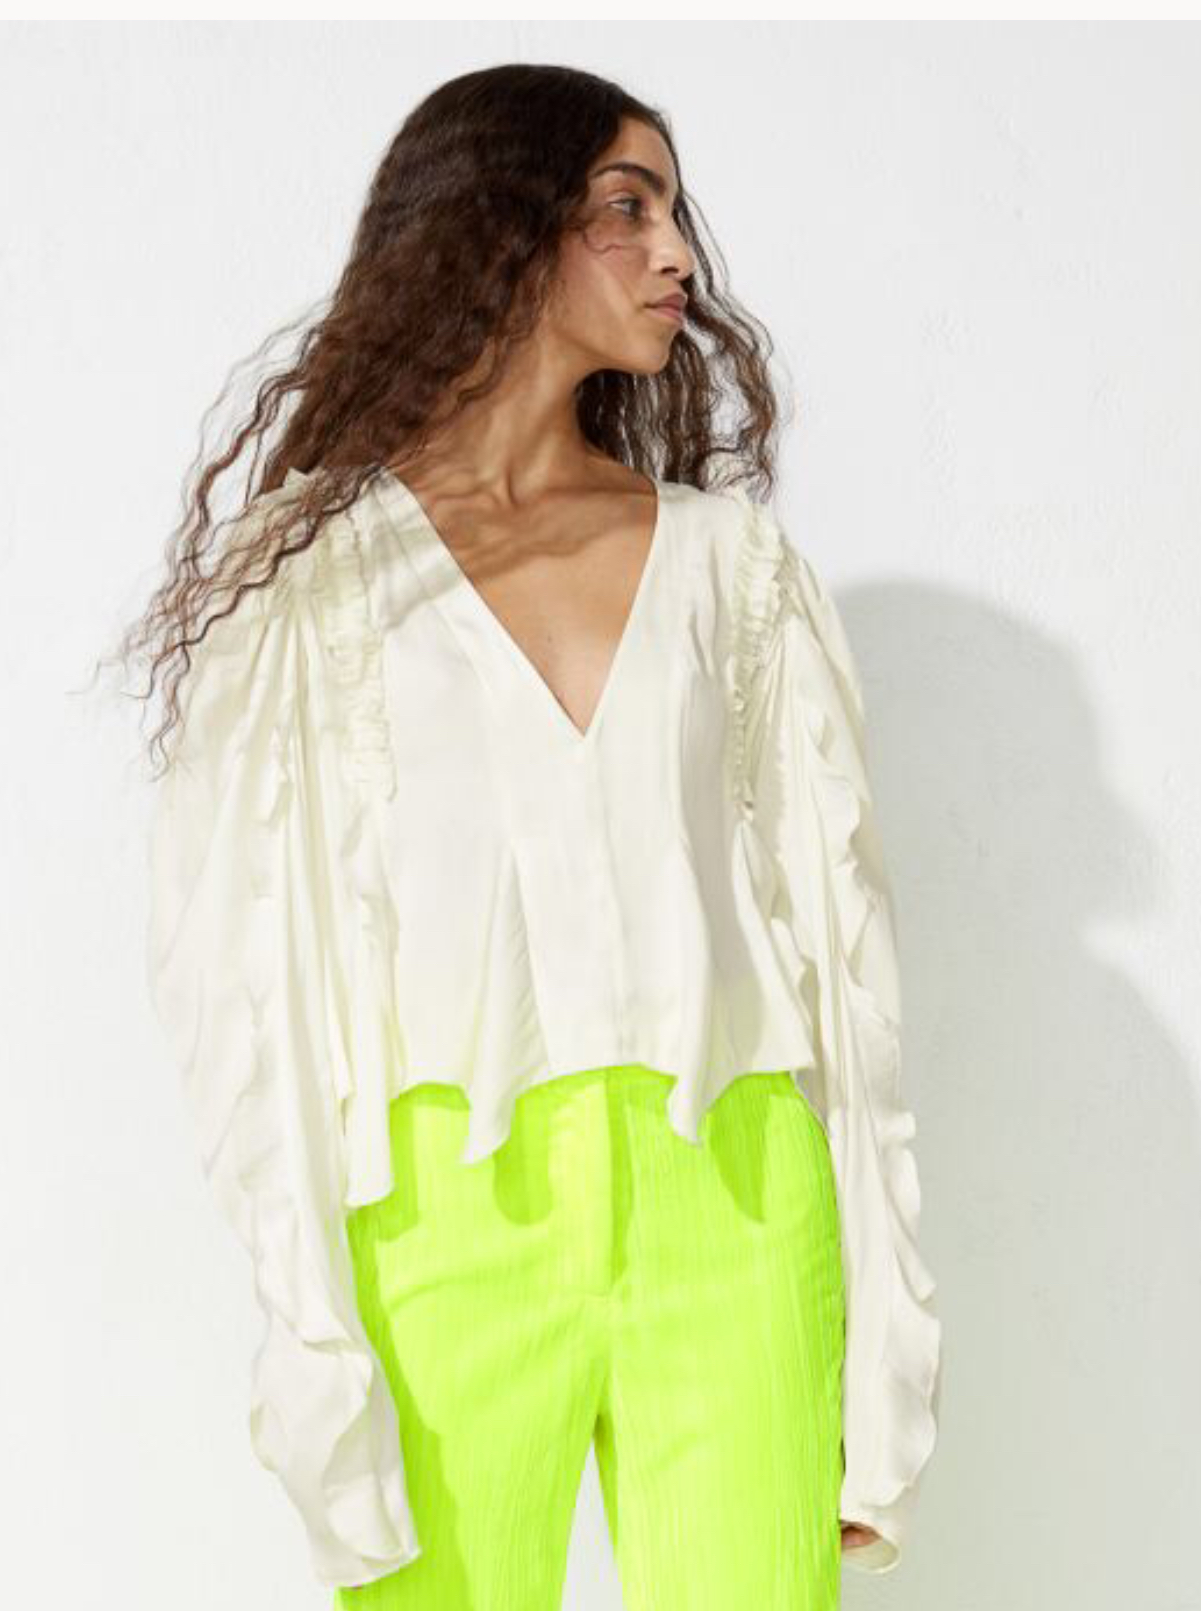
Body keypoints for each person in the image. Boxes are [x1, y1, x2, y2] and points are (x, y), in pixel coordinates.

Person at [131, 62, 942, 1610]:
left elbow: (844, 958)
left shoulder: (731, 571)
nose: (676, 255)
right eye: (625, 208)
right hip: (441, 1214)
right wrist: (307, 1325)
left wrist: (886, 1354)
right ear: (496, 225)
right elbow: (242, 979)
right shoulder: (313, 580)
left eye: (674, 213)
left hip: (735, 1197)